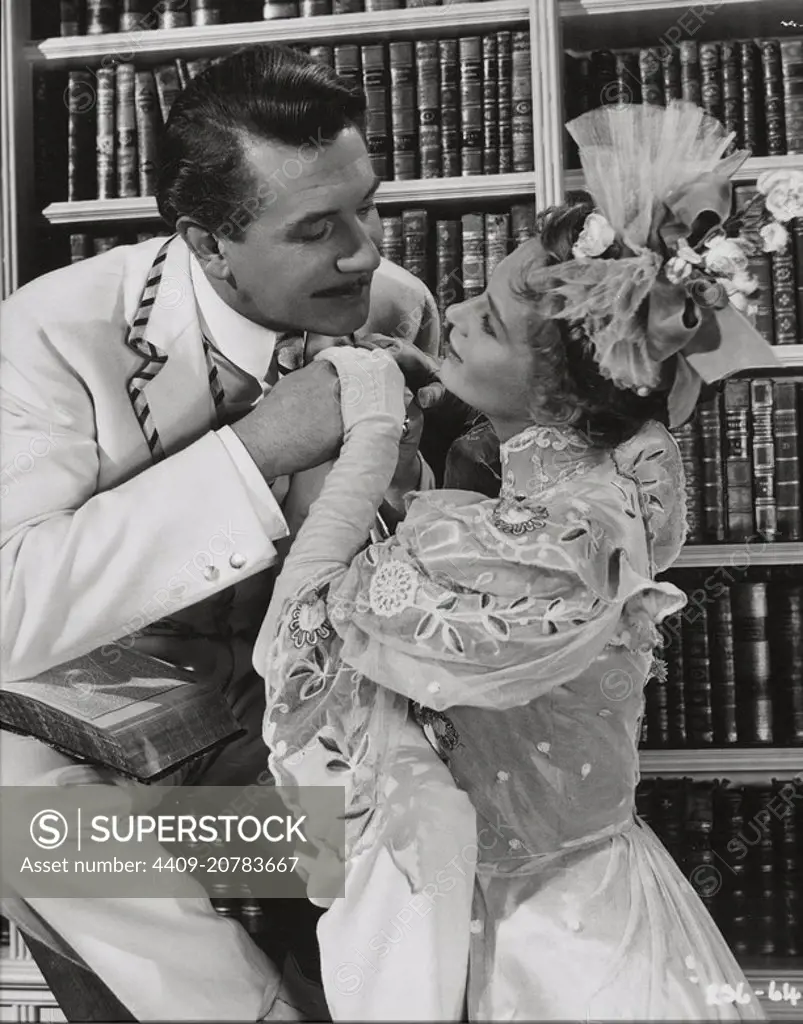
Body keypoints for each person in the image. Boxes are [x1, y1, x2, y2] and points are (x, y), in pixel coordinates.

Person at [255, 101, 786, 1020]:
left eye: (489, 322)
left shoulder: (539, 542)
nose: (452, 313)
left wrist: (371, 440)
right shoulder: (609, 474)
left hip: (541, 927)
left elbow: (310, 624)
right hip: (540, 889)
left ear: (565, 394)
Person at [0, 43, 442, 1022]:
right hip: (120, 768)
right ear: (205, 244)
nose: (365, 251)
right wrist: (248, 453)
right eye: (319, 227)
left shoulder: (395, 305)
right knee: (10, 803)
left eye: (367, 204)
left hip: (313, 749)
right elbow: (12, 605)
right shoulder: (52, 337)